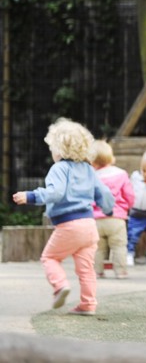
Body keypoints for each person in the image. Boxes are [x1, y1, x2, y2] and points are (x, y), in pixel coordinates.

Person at [12, 118, 114, 316]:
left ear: (59, 149)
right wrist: (109, 210)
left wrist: (31, 196)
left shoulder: (59, 169)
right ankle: (88, 304)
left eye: (52, 147)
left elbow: (56, 193)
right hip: (89, 226)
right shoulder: (88, 170)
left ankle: (60, 286)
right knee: (86, 269)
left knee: (49, 257)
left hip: (69, 225)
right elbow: (104, 194)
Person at [89, 139, 135, 279]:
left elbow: (87, 198)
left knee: (97, 248)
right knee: (119, 246)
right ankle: (120, 271)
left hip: (96, 219)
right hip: (116, 218)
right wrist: (128, 206)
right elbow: (130, 195)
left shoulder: (91, 177)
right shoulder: (121, 174)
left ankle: (97, 271)